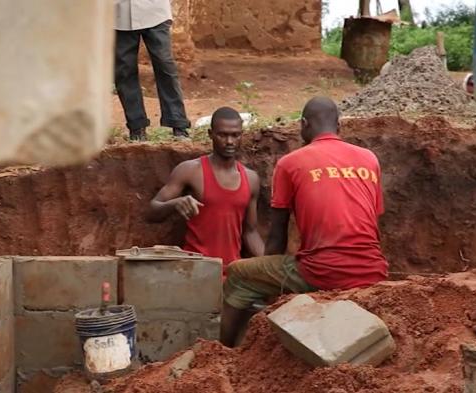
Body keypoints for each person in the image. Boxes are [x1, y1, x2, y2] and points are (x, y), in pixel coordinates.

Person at [220, 97, 389, 347]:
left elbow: (277, 236)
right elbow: (374, 224)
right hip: (373, 271)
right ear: (338, 125)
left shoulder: (290, 163)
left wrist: (271, 290)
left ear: (304, 124)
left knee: (238, 273)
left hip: (322, 273)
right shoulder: (369, 159)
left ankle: (222, 352)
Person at [147, 107, 264, 275]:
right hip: (195, 271)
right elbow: (151, 212)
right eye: (222, 135)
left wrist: (270, 264)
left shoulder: (251, 179)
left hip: (232, 274)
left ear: (241, 135)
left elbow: (250, 232)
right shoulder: (190, 171)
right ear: (210, 134)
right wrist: (175, 204)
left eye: (235, 135)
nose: (229, 141)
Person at [114, 0, 191, 141]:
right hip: (118, 14)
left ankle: (178, 123)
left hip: (155, 11)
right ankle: (136, 127)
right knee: (124, 70)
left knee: (164, 65)